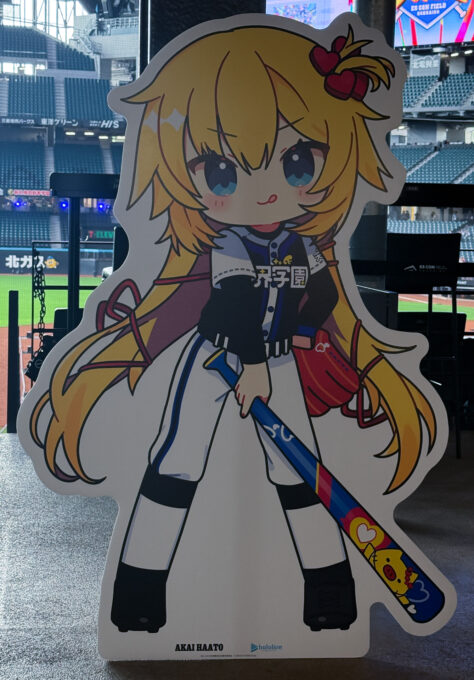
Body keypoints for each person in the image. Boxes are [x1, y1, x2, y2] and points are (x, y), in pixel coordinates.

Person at [29, 21, 435, 635]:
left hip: (276, 361)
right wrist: (251, 366)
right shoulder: (228, 243)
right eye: (221, 172)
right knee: (177, 463)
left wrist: (303, 338)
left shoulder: (304, 244)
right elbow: (237, 301)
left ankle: (329, 599)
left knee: (300, 473)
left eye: (297, 162)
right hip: (215, 359)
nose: (264, 193)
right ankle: (138, 597)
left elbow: (325, 293)